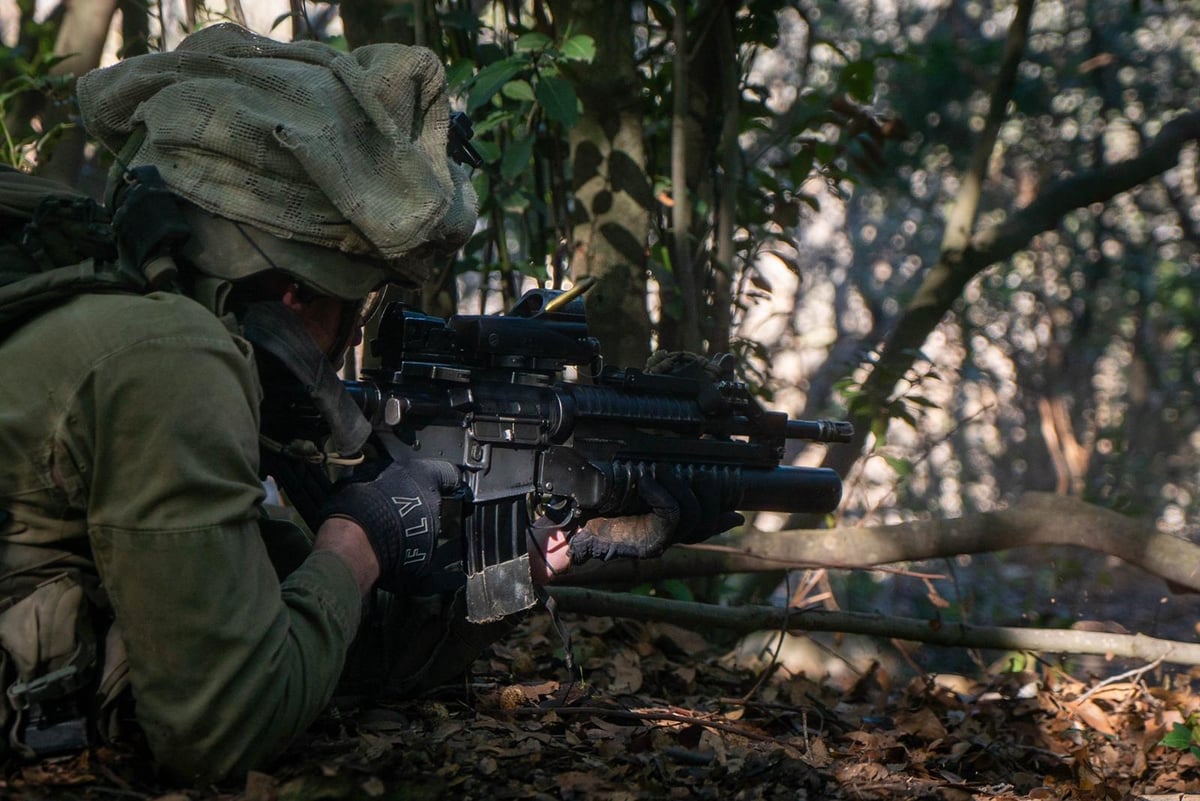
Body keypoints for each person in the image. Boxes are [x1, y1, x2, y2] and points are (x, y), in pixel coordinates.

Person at [0, 23, 739, 784]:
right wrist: (358, 541)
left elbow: (330, 651)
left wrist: (524, 568)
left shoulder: (129, 320)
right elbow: (223, 726)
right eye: (352, 302)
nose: (354, 330)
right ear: (293, 291)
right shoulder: (172, 361)